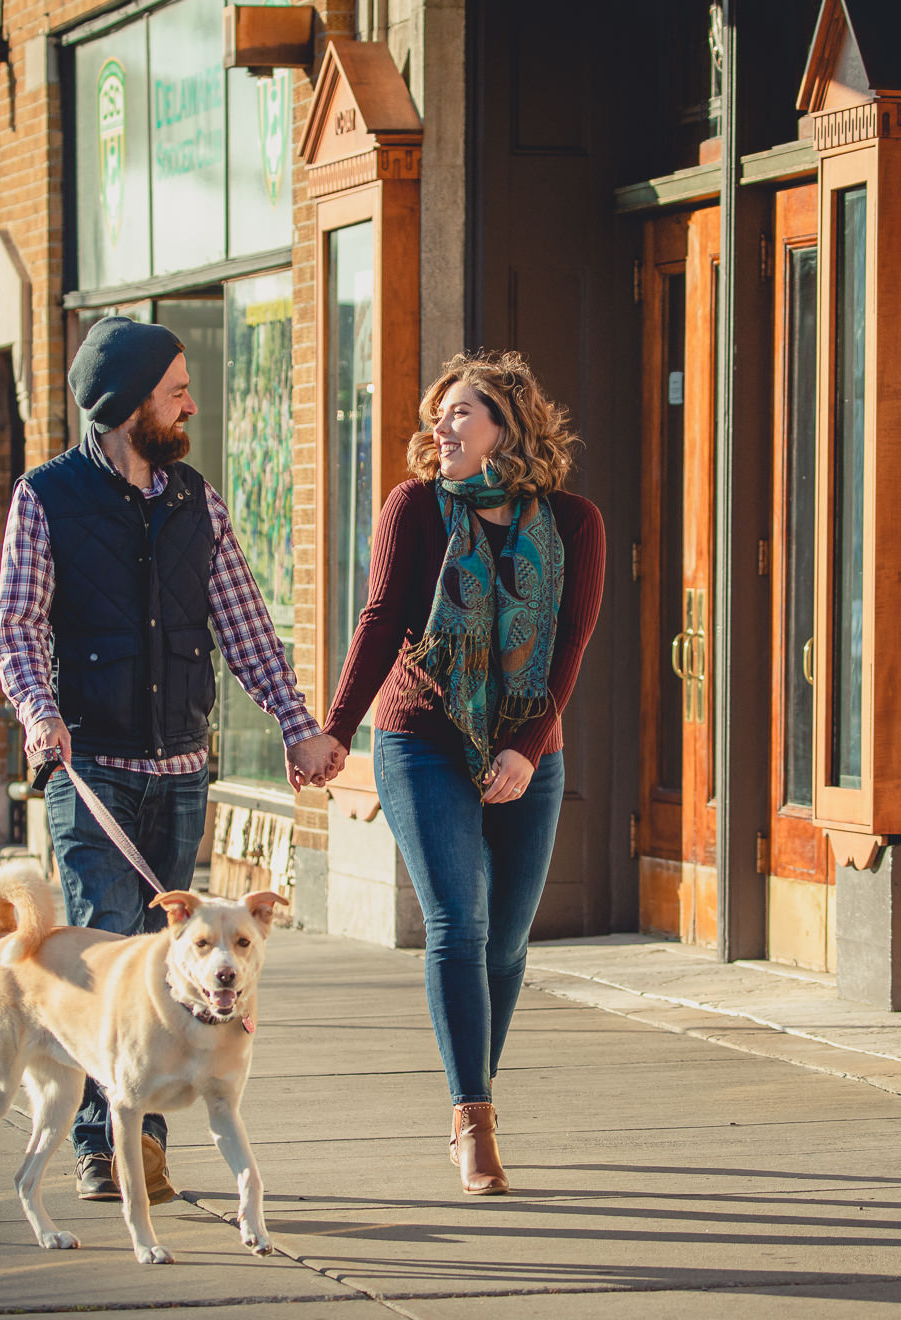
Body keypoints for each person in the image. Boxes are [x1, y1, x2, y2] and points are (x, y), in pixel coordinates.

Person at [0, 315, 344, 1205]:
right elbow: (19, 629)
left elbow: (247, 629)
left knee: (169, 964)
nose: (192, 402)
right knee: (104, 949)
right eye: (176, 388)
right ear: (126, 405)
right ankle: (111, 1145)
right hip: (91, 768)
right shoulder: (47, 497)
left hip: (182, 768)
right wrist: (40, 716)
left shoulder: (198, 502)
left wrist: (297, 726)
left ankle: (137, 1135)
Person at [322, 349, 605, 1195]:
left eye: (460, 413)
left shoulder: (574, 524)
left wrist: (527, 747)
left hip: (529, 745)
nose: (438, 427)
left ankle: (472, 1094)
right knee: (458, 925)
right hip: (423, 736)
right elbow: (379, 622)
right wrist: (338, 732)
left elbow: (569, 647)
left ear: (506, 429)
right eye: (438, 413)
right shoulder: (414, 507)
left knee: (509, 940)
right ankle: (473, 1116)